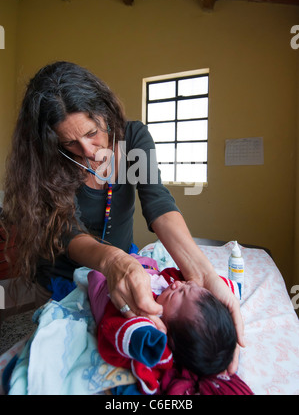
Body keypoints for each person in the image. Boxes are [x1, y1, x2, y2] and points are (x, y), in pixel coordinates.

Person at [0, 61, 244, 372]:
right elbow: (66, 232)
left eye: (92, 133)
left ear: (106, 111)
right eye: (70, 143)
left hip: (120, 261)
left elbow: (159, 205)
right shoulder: (50, 163)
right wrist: (112, 261)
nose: (87, 150)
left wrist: (204, 274)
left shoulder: (133, 141)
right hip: (63, 277)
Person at [87, 254, 252, 395]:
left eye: (179, 292)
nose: (178, 283)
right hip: (133, 262)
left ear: (166, 331)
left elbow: (119, 329)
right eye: (187, 285)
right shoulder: (179, 297)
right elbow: (206, 288)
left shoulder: (143, 314)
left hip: (106, 277)